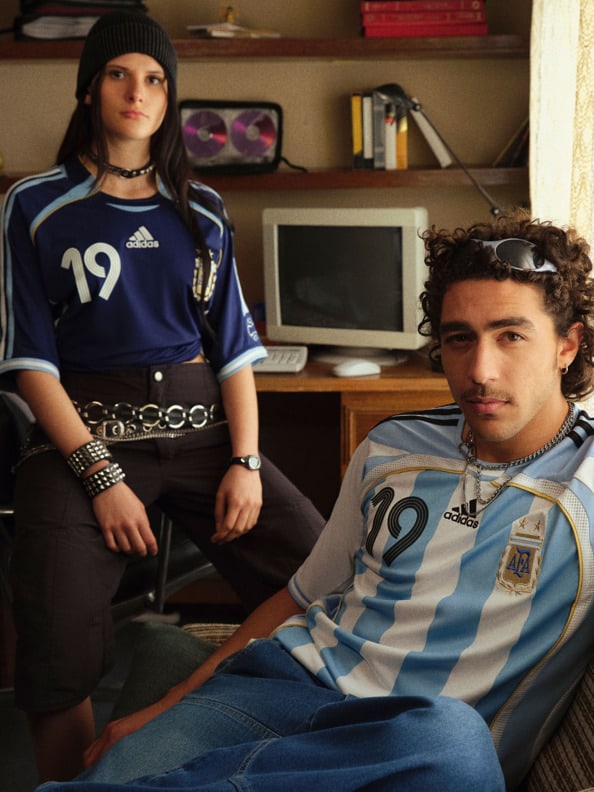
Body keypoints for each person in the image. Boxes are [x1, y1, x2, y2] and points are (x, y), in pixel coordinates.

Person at [34, 210, 594, 792]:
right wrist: (169, 705)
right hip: (278, 688)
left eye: (511, 335)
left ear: (566, 344)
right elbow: (301, 596)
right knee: (125, 761)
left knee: (454, 740)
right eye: (460, 339)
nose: (480, 370)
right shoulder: (391, 445)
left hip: (407, 744)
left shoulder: (586, 482)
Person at [0, 11, 325, 783]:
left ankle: (222, 729)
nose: (136, 91)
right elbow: (28, 362)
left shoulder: (204, 208)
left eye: (154, 78)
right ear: (88, 89)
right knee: (58, 635)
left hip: (206, 436)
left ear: (170, 97)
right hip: (82, 440)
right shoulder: (34, 204)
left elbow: (235, 350)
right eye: (118, 74)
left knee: (327, 575)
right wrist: (102, 478)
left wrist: (245, 460)